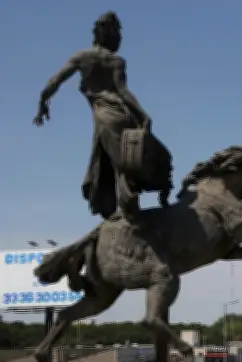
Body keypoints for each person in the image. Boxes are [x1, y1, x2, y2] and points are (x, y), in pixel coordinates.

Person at [32, 11, 172, 221]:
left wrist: (43, 103)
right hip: (124, 116)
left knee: (116, 165)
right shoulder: (116, 61)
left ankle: (125, 213)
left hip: (104, 117)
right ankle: (130, 209)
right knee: (122, 162)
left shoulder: (82, 57)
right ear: (113, 35)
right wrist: (143, 115)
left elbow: (55, 82)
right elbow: (123, 92)